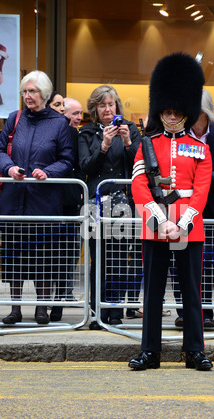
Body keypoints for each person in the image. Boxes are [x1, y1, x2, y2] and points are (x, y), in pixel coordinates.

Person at [128, 52, 213, 372]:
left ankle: (194, 351)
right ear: (159, 111)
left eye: (177, 112)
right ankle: (150, 352)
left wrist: (181, 224)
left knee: (191, 292)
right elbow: (139, 186)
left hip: (188, 228)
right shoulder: (146, 145)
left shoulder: (201, 149)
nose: (172, 117)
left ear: (187, 113)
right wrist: (162, 221)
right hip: (155, 226)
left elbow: (202, 191)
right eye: (166, 111)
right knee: (153, 293)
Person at [0, 70, 74, 325]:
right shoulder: (14, 118)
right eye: (24, 92)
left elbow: (68, 159)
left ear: (44, 94)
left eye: (33, 92)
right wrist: (9, 168)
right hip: (14, 200)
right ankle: (16, 308)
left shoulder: (59, 123)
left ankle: (41, 309)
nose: (27, 96)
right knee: (14, 257)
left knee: (44, 257)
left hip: (44, 201)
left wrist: (47, 172)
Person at [78, 85, 141, 328]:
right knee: (98, 259)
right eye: (102, 105)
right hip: (95, 203)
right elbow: (86, 167)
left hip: (121, 202)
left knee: (117, 260)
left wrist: (126, 140)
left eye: (111, 104)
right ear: (94, 108)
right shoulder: (87, 132)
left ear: (117, 106)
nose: (107, 109)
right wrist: (104, 145)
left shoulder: (131, 129)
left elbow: (139, 162)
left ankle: (114, 313)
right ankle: (97, 313)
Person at [174, 89, 214, 328]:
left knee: (206, 260)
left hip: (209, 208)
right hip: (181, 205)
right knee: (178, 260)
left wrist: (202, 178)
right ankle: (182, 311)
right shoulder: (177, 132)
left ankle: (205, 311)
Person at [47, 90, 83, 321]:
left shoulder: (74, 134)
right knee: (50, 254)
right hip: (49, 200)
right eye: (74, 112)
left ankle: (59, 300)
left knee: (67, 254)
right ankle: (48, 302)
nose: (78, 116)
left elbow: (79, 166)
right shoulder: (53, 132)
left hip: (70, 202)